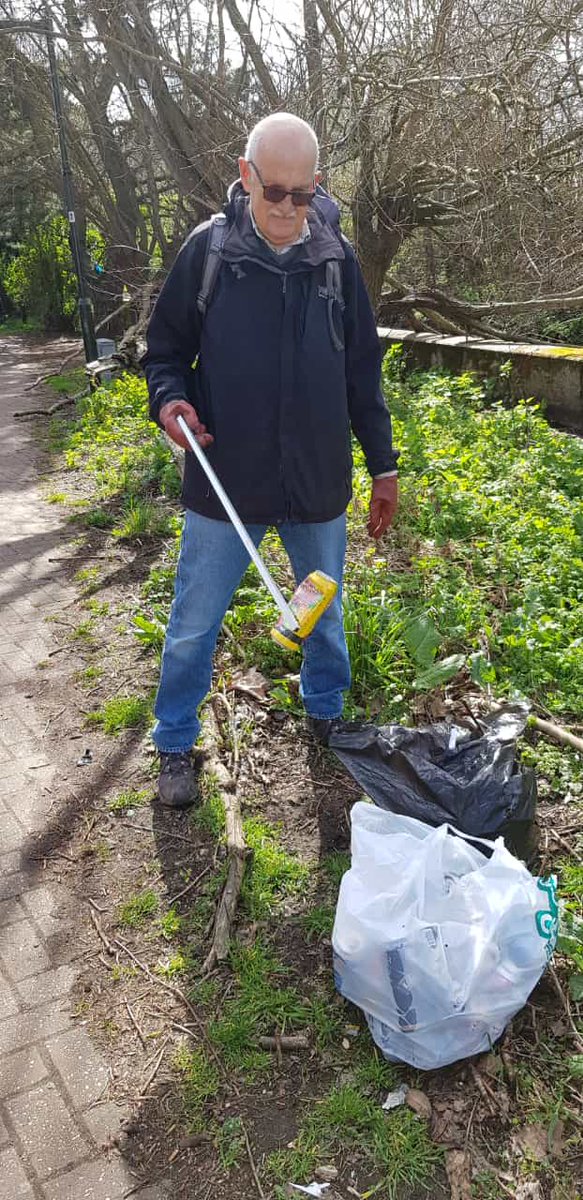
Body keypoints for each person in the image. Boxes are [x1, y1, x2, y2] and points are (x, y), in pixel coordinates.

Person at [143, 112, 399, 808]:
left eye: (300, 194)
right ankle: (173, 741)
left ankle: (325, 711)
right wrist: (170, 404)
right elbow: (163, 354)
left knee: (322, 609)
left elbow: (362, 373)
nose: (286, 209)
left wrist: (382, 465)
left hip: (314, 483)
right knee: (195, 619)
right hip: (225, 485)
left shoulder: (335, 260)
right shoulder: (209, 254)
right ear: (244, 175)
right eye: (272, 192)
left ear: (316, 187)